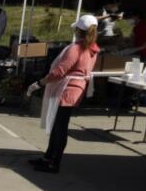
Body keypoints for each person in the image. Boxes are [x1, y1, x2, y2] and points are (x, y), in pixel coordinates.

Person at [27, 13, 102, 173]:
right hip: (76, 88)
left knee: (59, 127)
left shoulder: (76, 48)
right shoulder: (92, 48)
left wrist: (40, 83)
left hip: (67, 89)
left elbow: (59, 72)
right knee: (57, 126)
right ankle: (49, 157)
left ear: (78, 30)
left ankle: (54, 162)